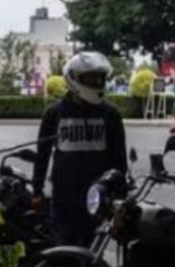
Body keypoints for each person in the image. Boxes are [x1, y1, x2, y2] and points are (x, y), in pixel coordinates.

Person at [32, 52, 128, 247]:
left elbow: (119, 159)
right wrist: (37, 190)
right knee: (64, 249)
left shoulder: (110, 115)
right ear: (74, 79)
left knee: (91, 252)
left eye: (100, 78)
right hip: (63, 197)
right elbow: (42, 154)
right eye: (91, 78)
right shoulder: (54, 113)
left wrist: (119, 197)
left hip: (97, 196)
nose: (97, 82)